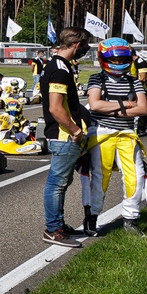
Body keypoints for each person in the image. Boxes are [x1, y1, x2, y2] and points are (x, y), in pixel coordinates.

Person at [83, 37, 147, 236]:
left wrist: (112, 110)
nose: (118, 63)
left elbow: (142, 109)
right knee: (100, 178)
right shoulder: (96, 79)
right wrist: (126, 105)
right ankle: (92, 218)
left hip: (127, 134)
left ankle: (131, 219)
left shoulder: (135, 82)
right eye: (113, 60)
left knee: (135, 177)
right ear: (104, 59)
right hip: (101, 134)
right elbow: (95, 105)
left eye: (122, 59)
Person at [39, 26, 94, 248]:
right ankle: (53, 229)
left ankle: (58, 225)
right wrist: (76, 131)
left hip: (63, 135)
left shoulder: (56, 64)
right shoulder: (60, 70)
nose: (85, 50)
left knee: (62, 182)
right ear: (77, 45)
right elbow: (55, 108)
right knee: (57, 184)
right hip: (64, 136)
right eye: (85, 46)